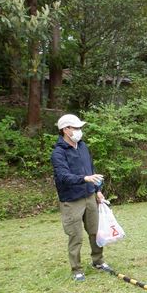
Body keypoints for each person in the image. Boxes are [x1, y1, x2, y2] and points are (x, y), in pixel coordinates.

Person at [51, 113, 113, 282]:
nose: (79, 131)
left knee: (95, 232)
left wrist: (98, 190)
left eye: (80, 128)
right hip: (71, 200)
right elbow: (63, 176)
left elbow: (91, 170)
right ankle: (76, 269)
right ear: (65, 130)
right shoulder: (58, 153)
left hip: (90, 195)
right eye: (76, 128)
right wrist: (84, 179)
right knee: (76, 236)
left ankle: (98, 261)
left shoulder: (83, 146)